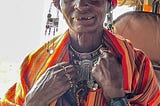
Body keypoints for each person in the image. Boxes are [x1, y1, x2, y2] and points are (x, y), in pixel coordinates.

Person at [1, 0, 160, 105]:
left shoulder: (138, 64)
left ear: (110, 4)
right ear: (58, 5)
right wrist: (34, 101)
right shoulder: (34, 64)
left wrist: (117, 96)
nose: (81, 4)